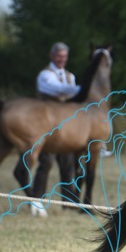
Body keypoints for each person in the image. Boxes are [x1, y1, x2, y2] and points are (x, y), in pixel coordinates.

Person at [34, 42, 82, 204]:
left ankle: (67, 203)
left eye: (64, 56)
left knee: (68, 164)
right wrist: (81, 89)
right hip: (47, 126)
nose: (62, 59)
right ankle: (37, 200)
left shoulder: (70, 76)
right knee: (46, 163)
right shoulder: (45, 75)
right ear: (52, 56)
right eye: (59, 56)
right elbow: (56, 88)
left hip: (65, 127)